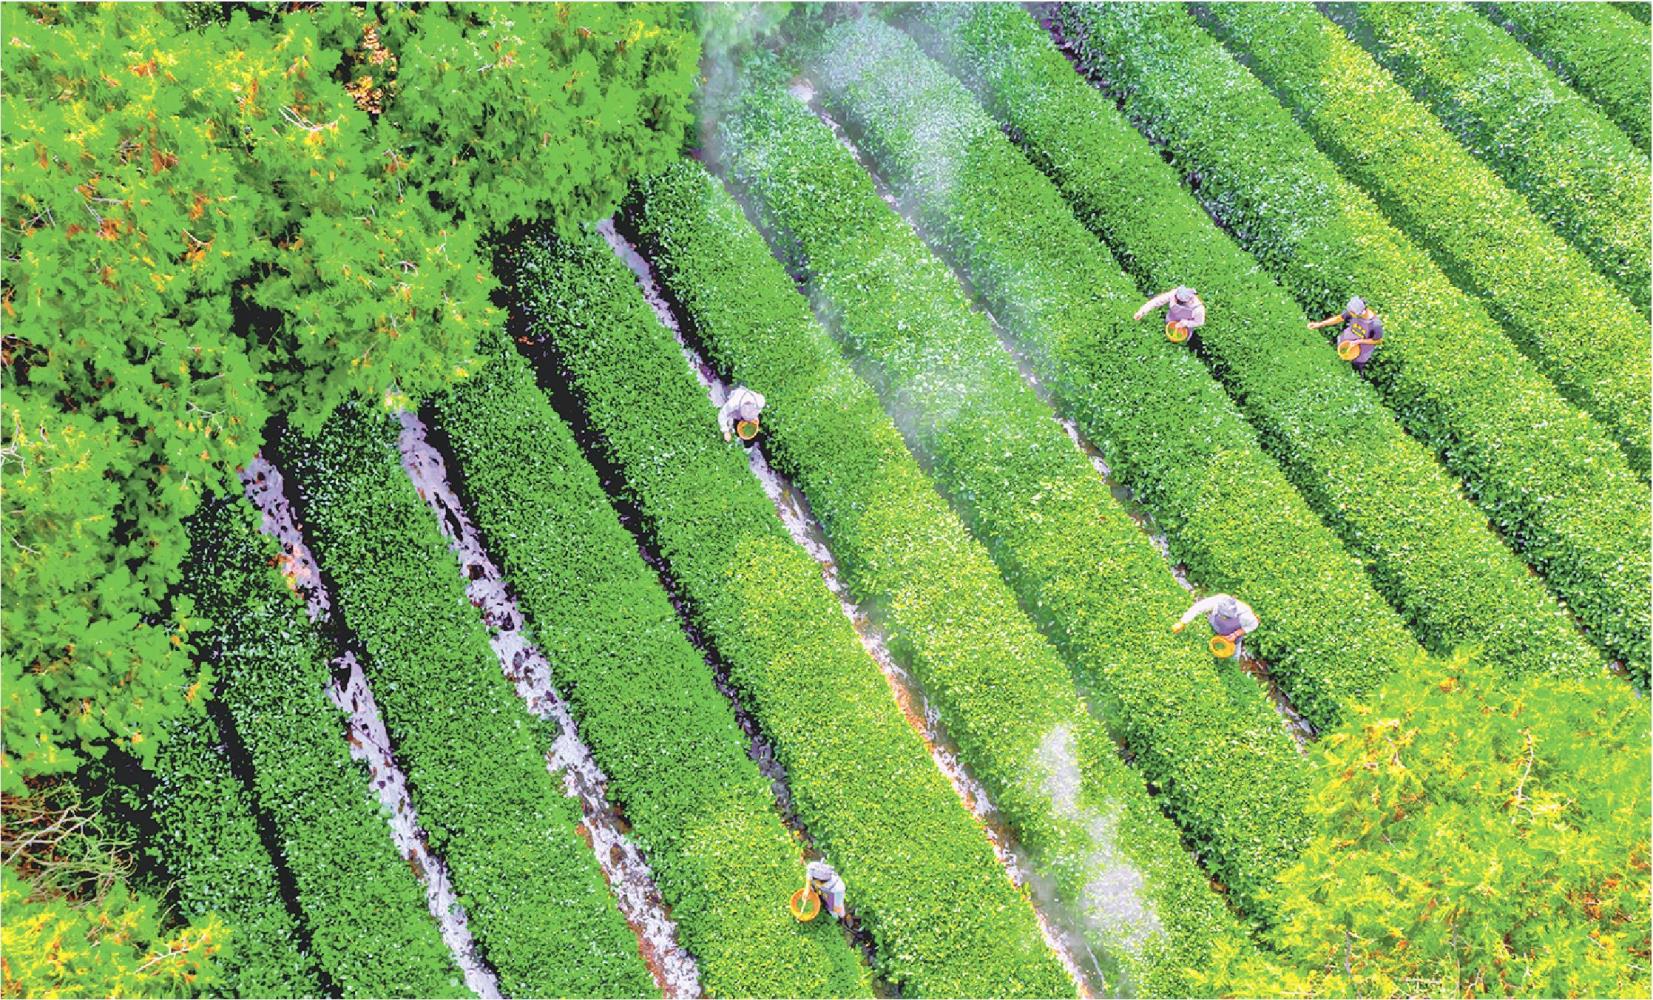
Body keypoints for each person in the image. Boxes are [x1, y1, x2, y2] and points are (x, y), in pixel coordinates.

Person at [1308, 295, 1384, 371]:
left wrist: (1358, 341)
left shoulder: (1375, 324)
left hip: (1361, 352)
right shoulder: (1353, 311)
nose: (1350, 313)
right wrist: (1320, 324)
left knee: (1355, 369)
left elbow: (1378, 340)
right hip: (1344, 343)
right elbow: (1339, 318)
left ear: (1361, 313)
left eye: (1352, 313)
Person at [1173, 593, 1260, 659]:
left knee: (1234, 656)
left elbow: (1253, 625)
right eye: (1222, 616)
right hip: (1215, 626)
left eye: (1227, 618)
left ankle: (1233, 667)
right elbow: (1198, 608)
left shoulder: (1246, 615)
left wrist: (1235, 634)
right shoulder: (1217, 601)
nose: (1224, 619)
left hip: (1232, 637)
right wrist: (1182, 622)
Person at [1134, 285, 1206, 340]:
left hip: (1184, 330)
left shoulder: (1198, 309)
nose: (1173, 300)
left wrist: (1186, 323)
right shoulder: (1176, 293)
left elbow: (1200, 322)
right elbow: (1157, 301)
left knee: (1178, 342)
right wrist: (1141, 312)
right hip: (1169, 321)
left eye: (1177, 301)